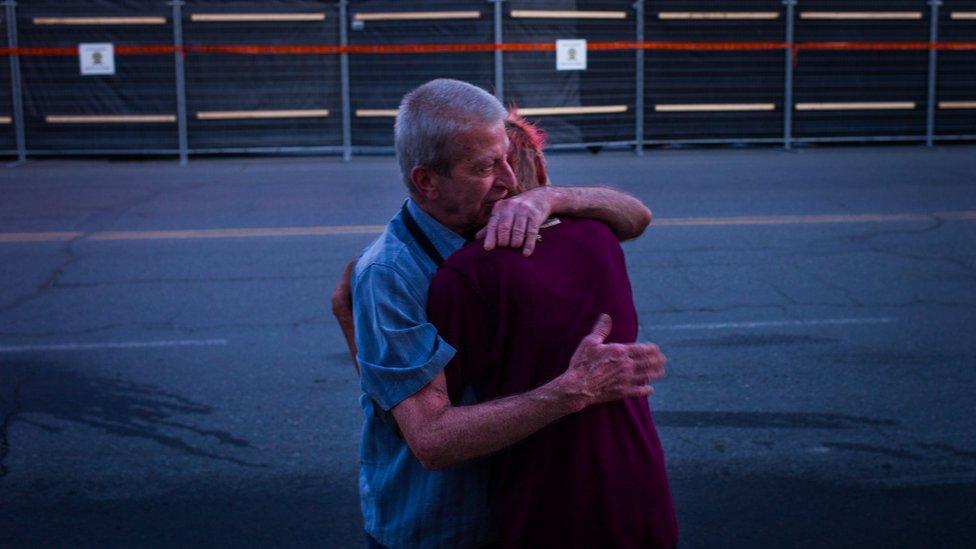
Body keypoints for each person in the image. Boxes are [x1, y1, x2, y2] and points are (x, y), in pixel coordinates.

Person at [338, 78, 667, 548]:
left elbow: (636, 216)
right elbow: (430, 439)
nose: (510, 181)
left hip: (508, 517)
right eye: (485, 167)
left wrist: (552, 197)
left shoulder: (504, 225)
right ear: (426, 181)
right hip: (436, 527)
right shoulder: (391, 274)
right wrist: (572, 391)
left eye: (508, 159)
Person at [427, 112, 678, 548]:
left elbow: (426, 425)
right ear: (542, 174)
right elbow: (634, 215)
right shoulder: (600, 236)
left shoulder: (466, 275)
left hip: (548, 511)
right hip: (642, 493)